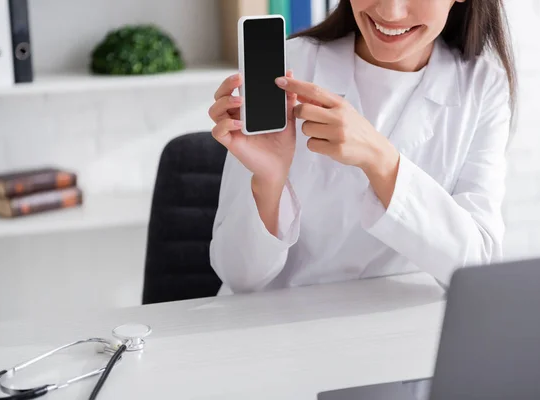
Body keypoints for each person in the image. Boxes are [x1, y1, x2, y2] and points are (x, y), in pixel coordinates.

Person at [207, 0, 517, 296]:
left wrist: (380, 160)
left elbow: (477, 268)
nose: (390, 12)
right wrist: (269, 182)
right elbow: (238, 277)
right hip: (275, 329)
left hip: (389, 330)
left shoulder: (483, 86)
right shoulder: (286, 66)